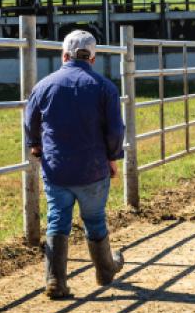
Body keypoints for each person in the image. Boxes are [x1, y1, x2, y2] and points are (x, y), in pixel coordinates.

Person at [24, 29, 125, 299]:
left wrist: (35, 144)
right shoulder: (105, 88)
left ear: (64, 55)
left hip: (57, 169)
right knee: (94, 218)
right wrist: (113, 157)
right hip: (93, 168)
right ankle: (105, 270)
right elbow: (115, 131)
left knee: (57, 220)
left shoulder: (44, 86)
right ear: (93, 58)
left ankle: (56, 281)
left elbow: (30, 120)